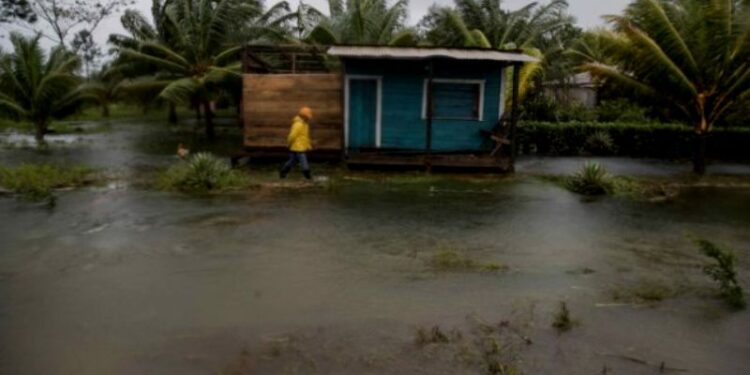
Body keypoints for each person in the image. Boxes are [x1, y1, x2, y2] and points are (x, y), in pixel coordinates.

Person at [280, 106, 313, 180]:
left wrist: (308, 145)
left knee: (292, 161)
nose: (309, 118)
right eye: (307, 116)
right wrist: (288, 143)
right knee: (304, 162)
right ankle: (308, 176)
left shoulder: (305, 124)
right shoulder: (298, 124)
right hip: (298, 147)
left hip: (299, 146)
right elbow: (292, 135)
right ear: (304, 116)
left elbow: (305, 137)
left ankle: (283, 172)